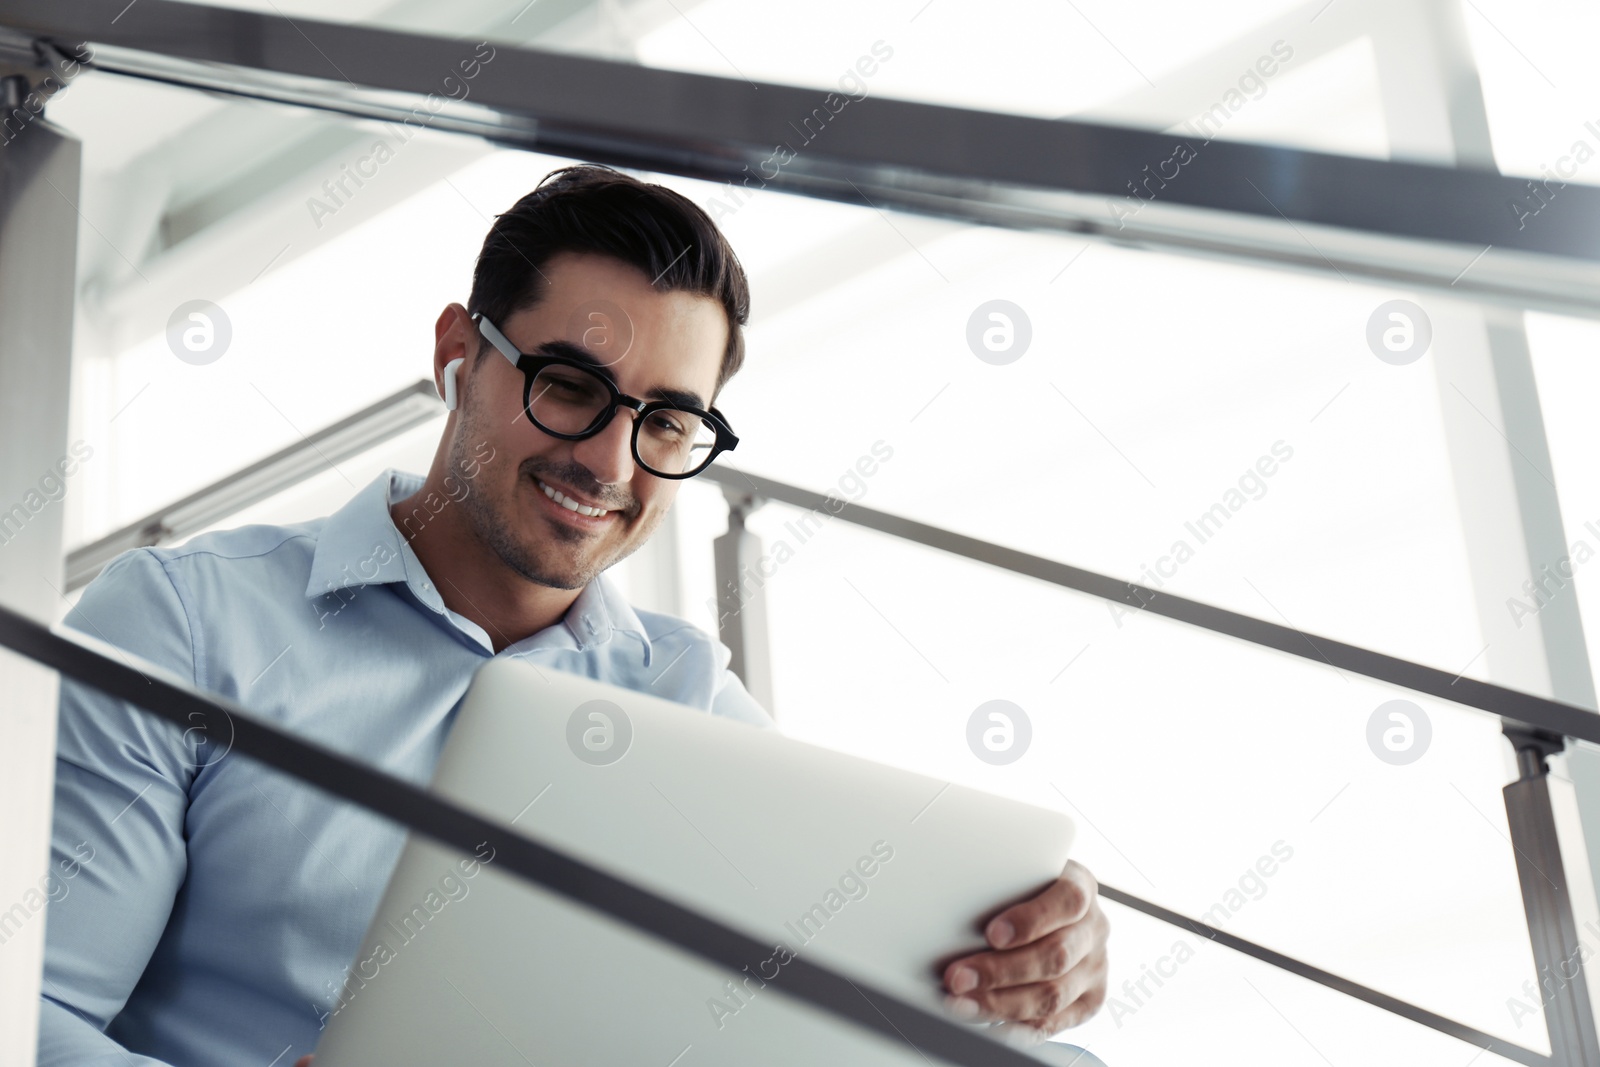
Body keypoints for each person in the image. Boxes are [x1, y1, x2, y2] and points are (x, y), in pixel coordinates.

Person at [38, 164, 1109, 1067]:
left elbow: (832, 1005)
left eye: (668, 420)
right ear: (460, 353)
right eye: (568, 385)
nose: (607, 459)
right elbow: (32, 1012)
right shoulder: (185, 622)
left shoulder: (688, 704)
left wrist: (1030, 958)